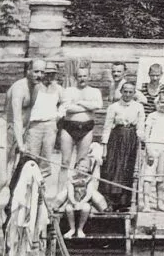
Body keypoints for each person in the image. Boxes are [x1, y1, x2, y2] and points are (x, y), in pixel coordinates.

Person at [57, 65, 103, 201]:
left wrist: (79, 102)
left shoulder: (95, 91)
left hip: (86, 129)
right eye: (79, 76)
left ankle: (78, 196)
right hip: (69, 127)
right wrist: (87, 107)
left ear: (89, 77)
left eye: (85, 76)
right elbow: (66, 108)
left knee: (81, 164)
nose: (82, 79)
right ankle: (61, 194)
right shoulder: (69, 90)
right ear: (75, 77)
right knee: (65, 162)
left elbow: (98, 106)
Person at [99, 80, 145, 211]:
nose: (128, 94)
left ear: (134, 93)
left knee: (128, 168)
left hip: (131, 139)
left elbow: (140, 126)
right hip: (117, 138)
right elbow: (107, 127)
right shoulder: (113, 107)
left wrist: (141, 140)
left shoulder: (138, 107)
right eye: (125, 91)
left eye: (131, 92)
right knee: (113, 168)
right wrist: (104, 146)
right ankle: (112, 201)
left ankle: (126, 202)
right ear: (121, 92)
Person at [6, 58, 45, 175]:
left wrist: (24, 135)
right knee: (2, 172)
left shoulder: (37, 87)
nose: (40, 75)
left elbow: (28, 113)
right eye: (36, 71)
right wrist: (20, 143)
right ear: (28, 71)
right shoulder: (19, 88)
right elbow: (16, 118)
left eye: (42, 72)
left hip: (20, 131)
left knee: (12, 170)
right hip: (7, 129)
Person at [59, 147, 107, 239]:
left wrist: (82, 202)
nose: (83, 169)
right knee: (68, 208)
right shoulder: (72, 179)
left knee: (86, 208)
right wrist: (73, 202)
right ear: (76, 167)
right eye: (81, 167)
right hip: (73, 200)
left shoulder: (89, 180)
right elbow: (70, 192)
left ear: (88, 169)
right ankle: (72, 229)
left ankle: (80, 229)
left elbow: (89, 194)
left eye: (86, 168)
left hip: (84, 201)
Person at [26, 61, 62, 181]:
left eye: (53, 74)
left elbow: (66, 103)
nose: (49, 76)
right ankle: (28, 188)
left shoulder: (58, 88)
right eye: (47, 73)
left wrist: (58, 114)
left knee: (46, 158)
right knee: (31, 157)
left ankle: (41, 189)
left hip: (50, 126)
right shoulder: (35, 87)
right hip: (34, 126)